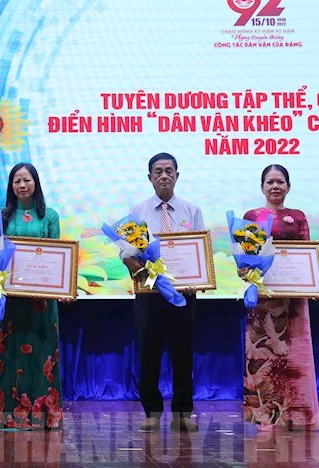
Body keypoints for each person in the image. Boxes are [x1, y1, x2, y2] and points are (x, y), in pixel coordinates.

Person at [124, 152, 204, 432]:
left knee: (183, 354)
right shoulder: (138, 212)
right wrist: (136, 266)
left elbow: (200, 250)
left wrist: (199, 276)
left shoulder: (192, 211)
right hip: (149, 294)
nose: (164, 176)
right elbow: (127, 251)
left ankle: (183, 412)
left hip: (183, 294)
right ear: (150, 177)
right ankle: (152, 412)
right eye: (158, 172)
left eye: (169, 171)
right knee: (149, 353)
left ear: (177, 176)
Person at [241, 164, 319, 431]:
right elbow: (247, 254)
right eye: (270, 182)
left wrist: (315, 282)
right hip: (263, 298)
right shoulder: (252, 216)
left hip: (294, 299)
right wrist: (245, 270)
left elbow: (307, 253)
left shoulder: (298, 216)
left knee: (294, 359)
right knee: (263, 358)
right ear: (262, 187)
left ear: (288, 186)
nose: (275, 186)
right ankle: (265, 417)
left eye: (280, 182)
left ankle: (298, 416)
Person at [0, 163, 63, 430]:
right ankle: (5, 416)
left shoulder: (50, 216)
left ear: (36, 183)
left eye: (27, 180)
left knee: (42, 354)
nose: (22, 185)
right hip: (9, 299)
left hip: (42, 300)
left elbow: (57, 256)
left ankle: (43, 416)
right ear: (11, 186)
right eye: (17, 181)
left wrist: (60, 284)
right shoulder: (1, 217)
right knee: (8, 354)